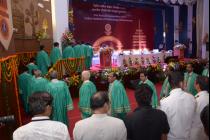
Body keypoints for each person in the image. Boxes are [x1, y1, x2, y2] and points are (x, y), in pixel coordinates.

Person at [160, 71, 196, 140]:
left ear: (170, 84)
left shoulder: (164, 102)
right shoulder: (192, 98)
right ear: (181, 83)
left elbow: (164, 126)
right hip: (188, 137)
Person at [190, 76, 209, 140]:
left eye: (195, 82)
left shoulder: (196, 100)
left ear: (198, 85)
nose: (194, 83)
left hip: (196, 132)